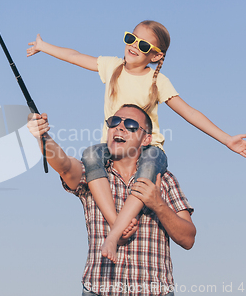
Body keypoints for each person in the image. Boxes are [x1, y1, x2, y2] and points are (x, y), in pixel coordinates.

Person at [26, 20, 246, 260]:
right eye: (131, 38)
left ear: (156, 56)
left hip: (150, 149)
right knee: (91, 154)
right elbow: (75, 56)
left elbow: (189, 112)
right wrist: (44, 46)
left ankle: (114, 235)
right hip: (112, 147)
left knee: (147, 173)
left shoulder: (158, 81)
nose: (134, 46)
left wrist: (227, 139)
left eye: (143, 44)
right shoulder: (113, 66)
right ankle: (117, 224)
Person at [27, 104, 196, 296]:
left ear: (146, 139)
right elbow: (65, 166)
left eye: (131, 125)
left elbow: (188, 239)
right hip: (100, 290)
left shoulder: (163, 179)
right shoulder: (91, 174)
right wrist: (43, 137)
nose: (120, 127)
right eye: (114, 122)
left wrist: (158, 205)